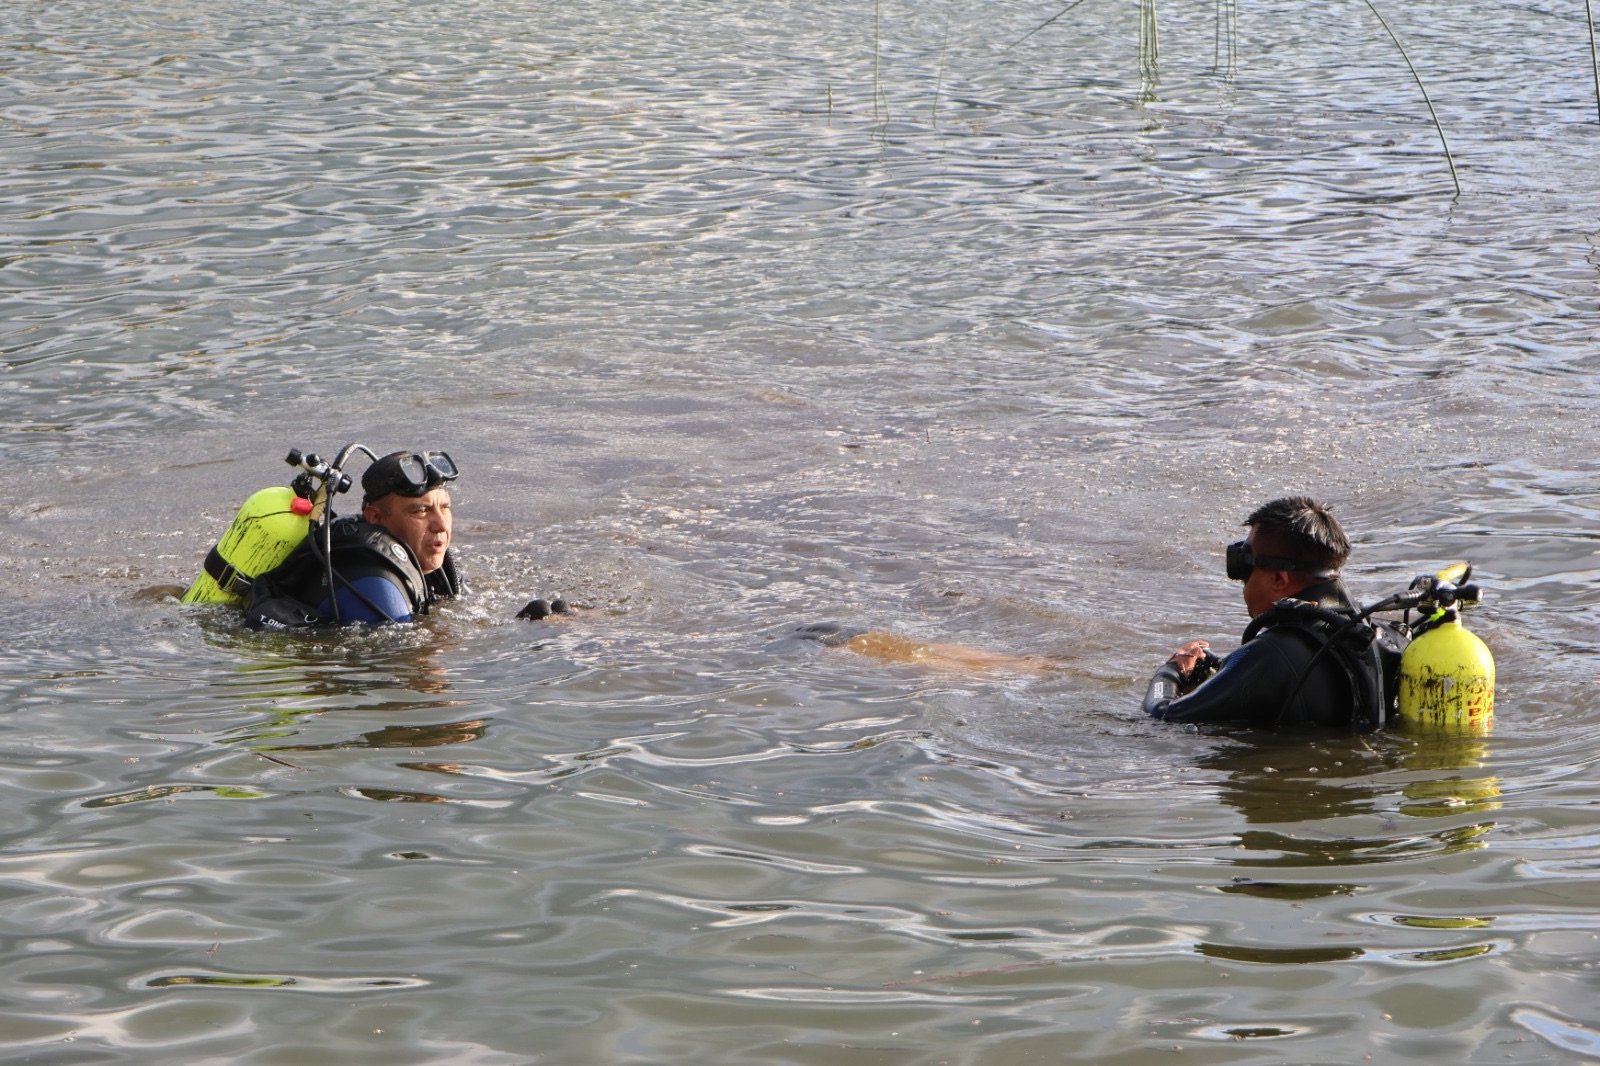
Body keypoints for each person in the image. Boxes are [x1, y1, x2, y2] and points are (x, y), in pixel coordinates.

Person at [1143, 496, 1405, 730]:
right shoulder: (1379, 636)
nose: (1242, 580)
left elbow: (1164, 716)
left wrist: (1172, 671)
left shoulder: (1268, 655)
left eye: (1245, 565)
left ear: (1279, 579)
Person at [244, 450, 464, 628]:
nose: (442, 525)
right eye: (420, 511)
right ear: (375, 517)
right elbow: (398, 666)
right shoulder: (378, 592)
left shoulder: (430, 559)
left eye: (445, 508)